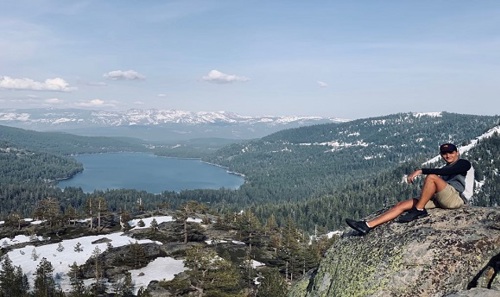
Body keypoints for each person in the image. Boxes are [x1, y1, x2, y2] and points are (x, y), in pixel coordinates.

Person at [345, 143, 472, 235]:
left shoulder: (464, 164)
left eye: (451, 152)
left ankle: (419, 210)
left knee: (431, 177)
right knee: (402, 205)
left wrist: (421, 171)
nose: (448, 155)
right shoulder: (445, 168)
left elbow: (451, 171)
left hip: (456, 198)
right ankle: (367, 225)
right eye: (444, 153)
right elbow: (443, 176)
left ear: (457, 153)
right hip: (442, 198)